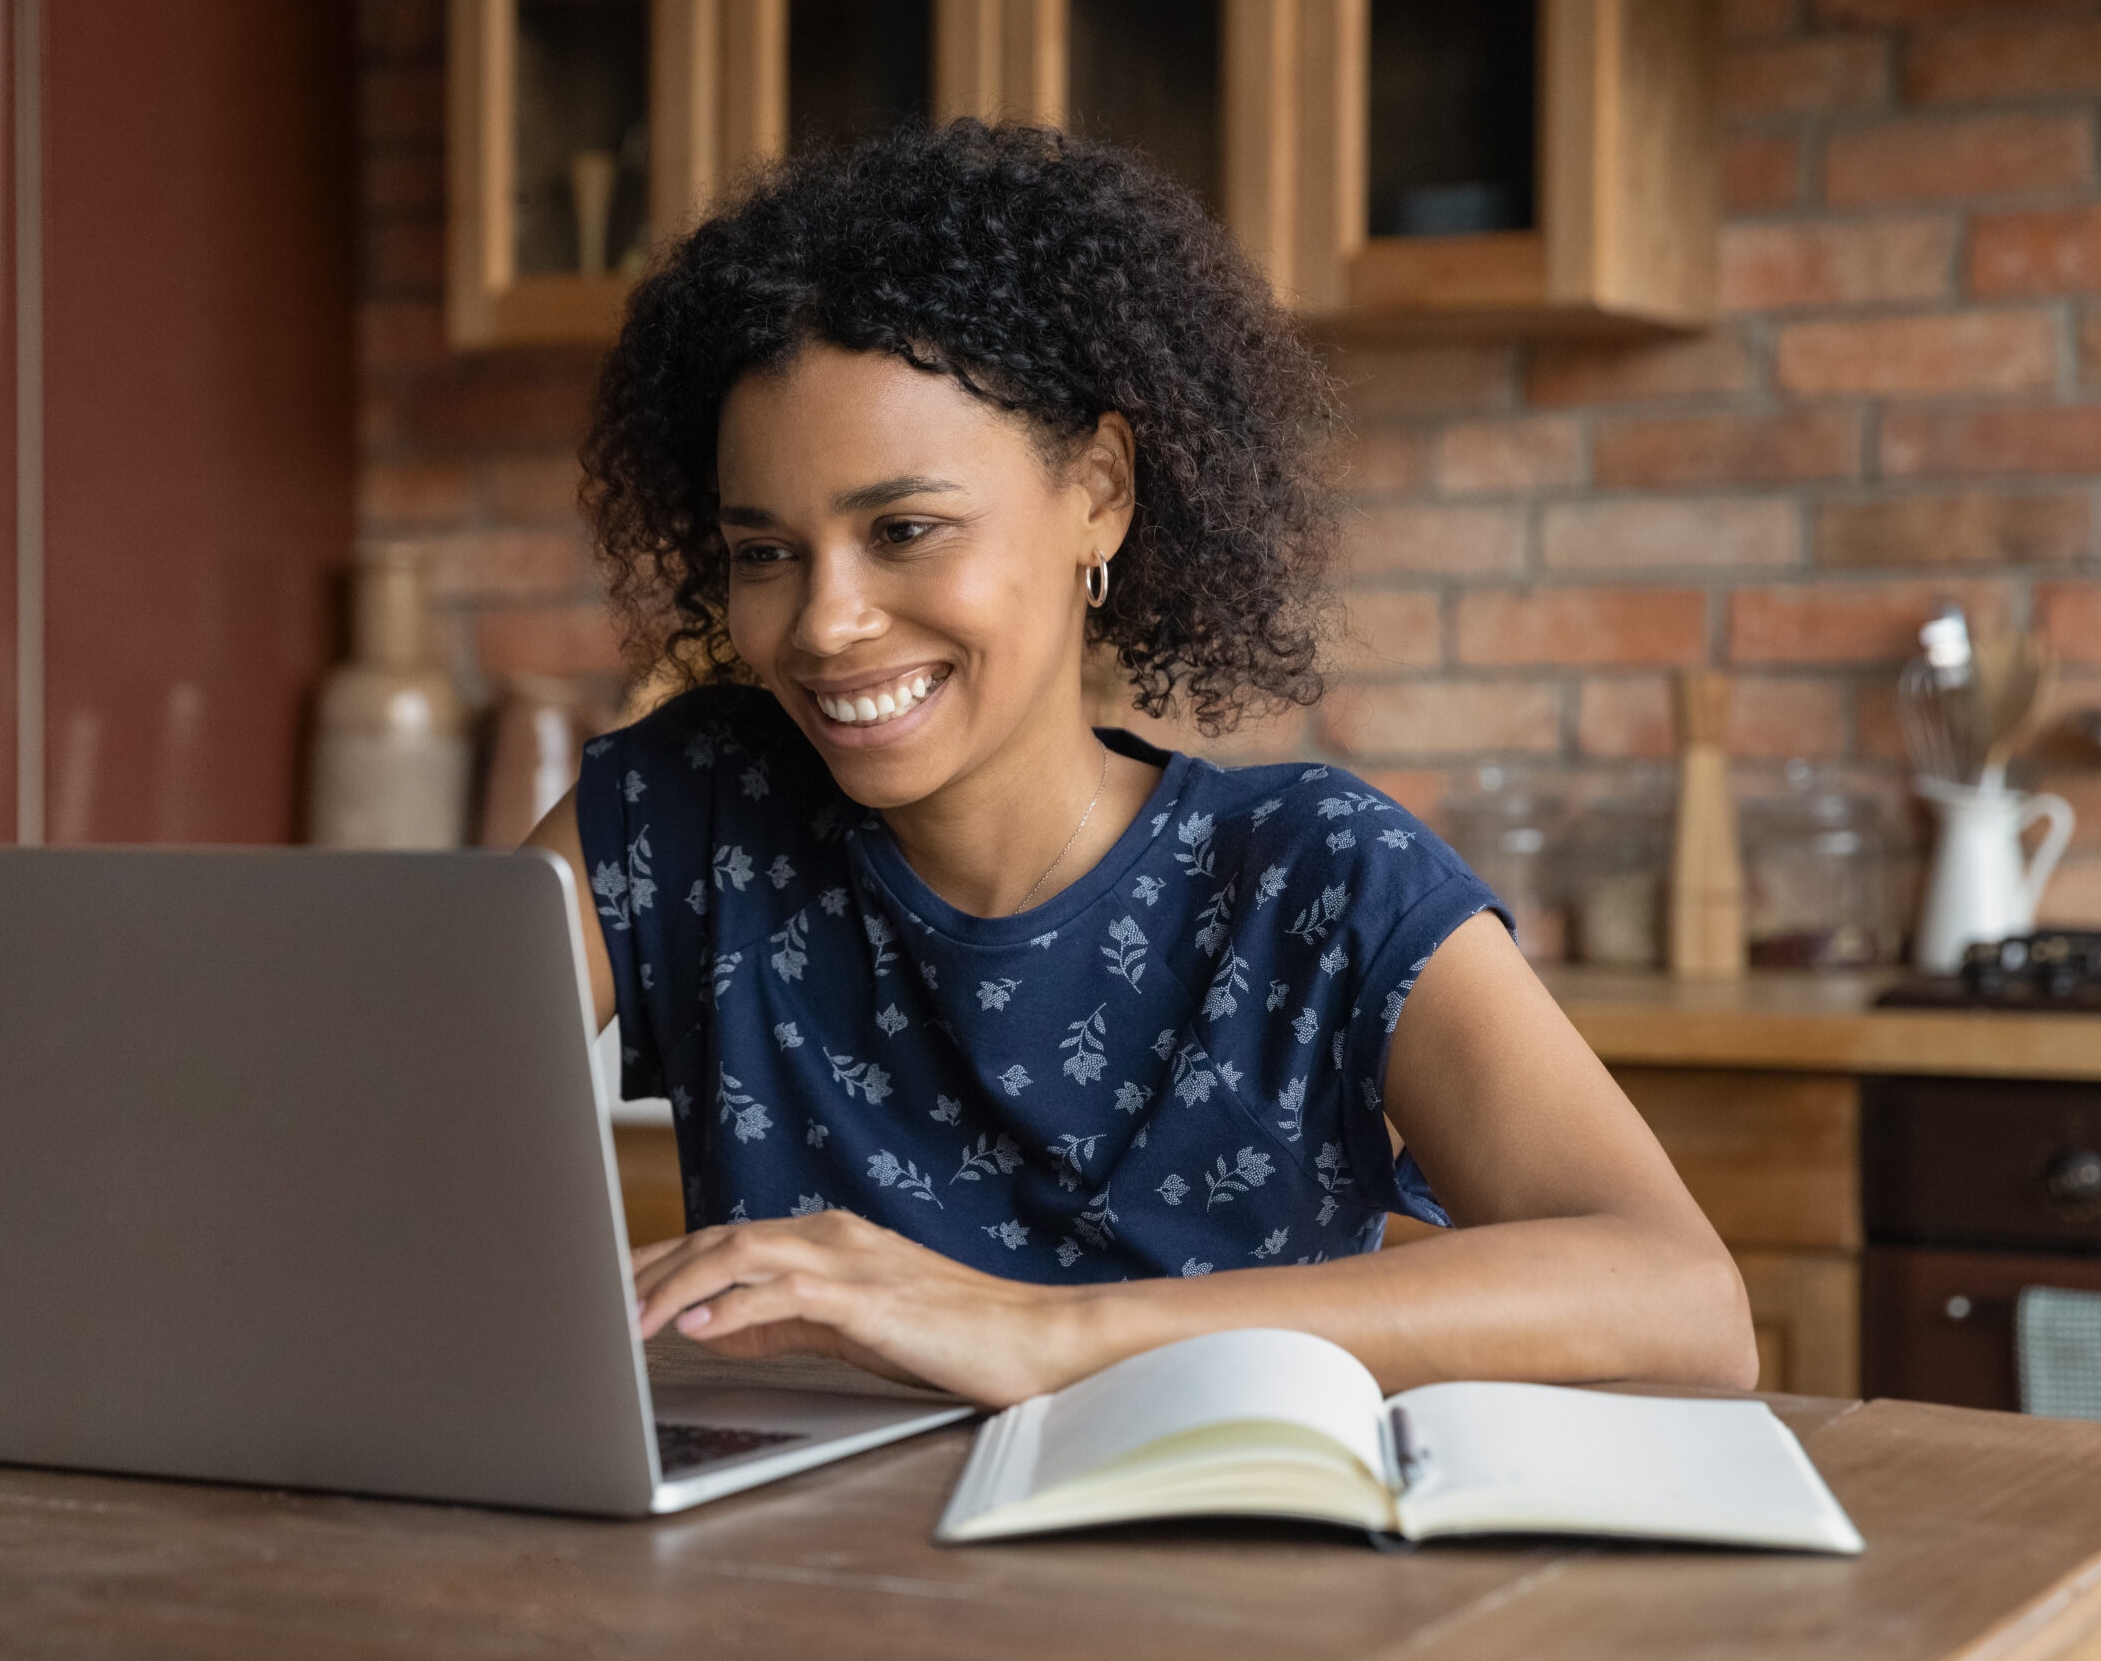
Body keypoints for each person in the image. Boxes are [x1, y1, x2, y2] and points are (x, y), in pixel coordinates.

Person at [526, 121, 1755, 1409]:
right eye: (766, 552)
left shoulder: (1317, 876)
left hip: (1217, 1583)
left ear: (1101, 492)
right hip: (812, 1586)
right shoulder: (680, 812)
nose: (825, 622)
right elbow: (374, 1138)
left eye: (905, 530)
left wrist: (1036, 1337)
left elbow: (1685, 1303)